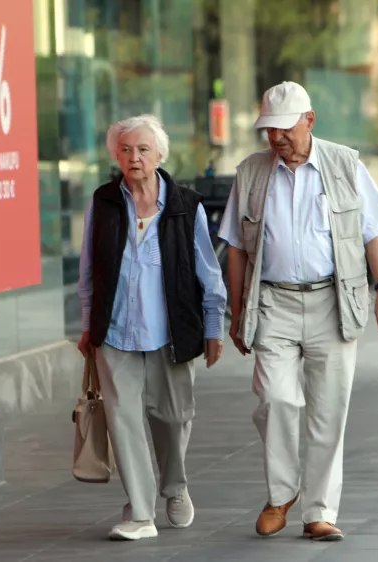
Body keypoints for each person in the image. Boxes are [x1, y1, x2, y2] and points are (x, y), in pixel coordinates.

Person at [217, 81, 378, 541]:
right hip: (272, 301)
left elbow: (372, 232)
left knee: (328, 411)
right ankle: (281, 494)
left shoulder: (345, 163)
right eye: (268, 130)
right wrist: (237, 312)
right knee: (275, 399)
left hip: (332, 302)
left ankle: (319, 512)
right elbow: (236, 248)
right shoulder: (251, 172)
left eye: (284, 129)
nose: (276, 139)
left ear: (309, 121)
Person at [77, 114, 227, 541]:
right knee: (123, 419)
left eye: (142, 149)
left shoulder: (185, 205)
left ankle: (174, 487)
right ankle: (141, 512)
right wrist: (89, 329)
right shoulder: (103, 202)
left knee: (173, 417)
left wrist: (213, 326)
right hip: (115, 332)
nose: (134, 157)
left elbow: (209, 273)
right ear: (116, 155)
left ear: (159, 155)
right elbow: (88, 271)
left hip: (171, 332)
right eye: (125, 150)